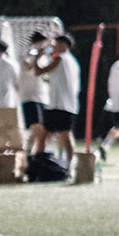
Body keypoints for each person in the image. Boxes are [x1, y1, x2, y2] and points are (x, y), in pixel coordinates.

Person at [40, 32, 82, 163]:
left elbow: (40, 71)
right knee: (60, 135)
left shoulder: (61, 59)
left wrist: (39, 57)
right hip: (64, 104)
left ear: (64, 45)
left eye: (55, 44)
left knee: (61, 135)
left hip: (60, 104)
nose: (53, 46)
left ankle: (67, 162)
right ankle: (66, 163)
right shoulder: (72, 61)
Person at [18, 32, 49, 157]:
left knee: (42, 129)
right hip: (29, 96)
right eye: (40, 44)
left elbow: (44, 75)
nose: (42, 47)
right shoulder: (25, 56)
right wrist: (37, 57)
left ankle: (31, 152)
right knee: (35, 126)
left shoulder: (46, 58)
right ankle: (27, 151)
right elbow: (28, 68)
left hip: (43, 97)